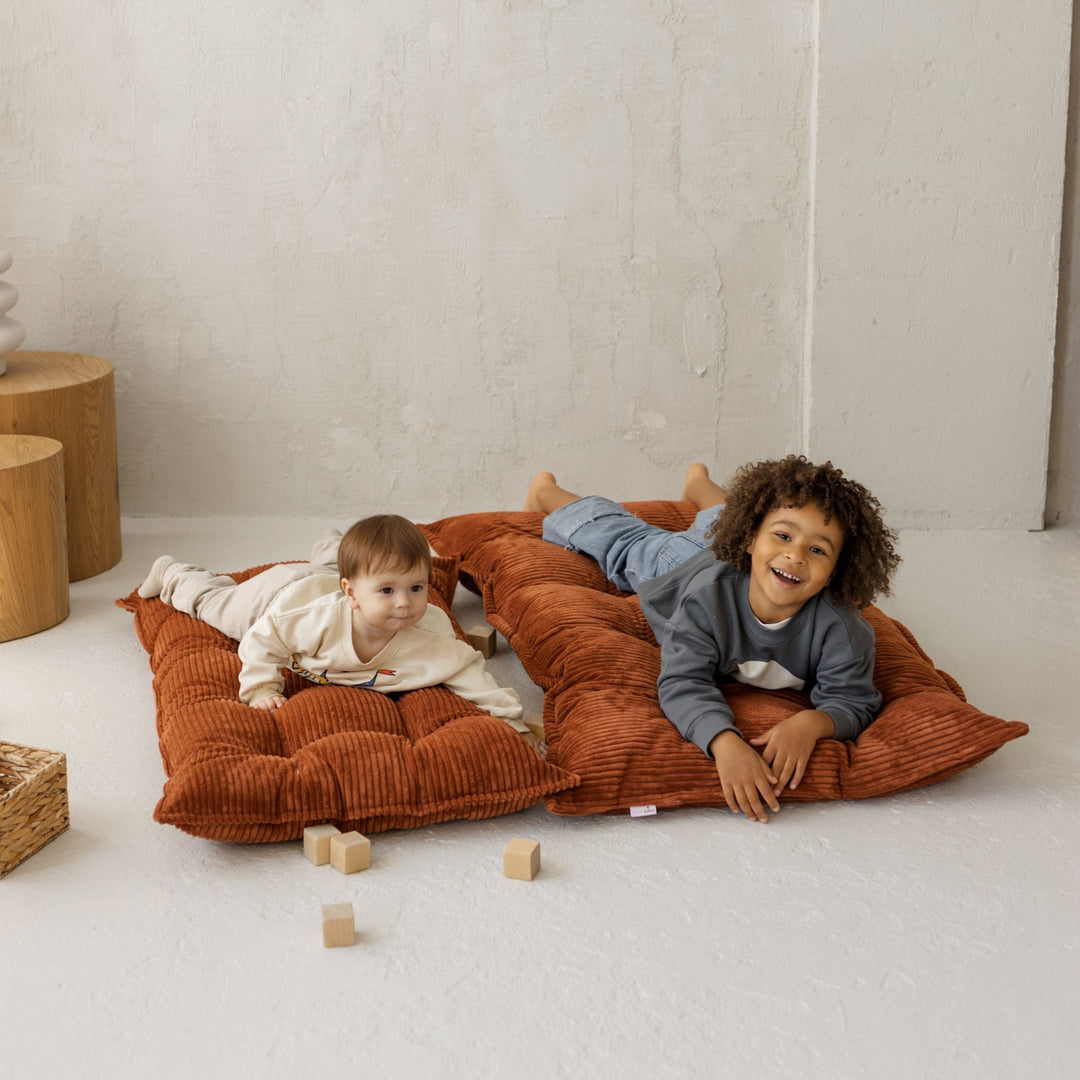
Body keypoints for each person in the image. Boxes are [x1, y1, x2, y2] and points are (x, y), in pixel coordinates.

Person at [525, 456, 901, 824]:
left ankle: (697, 482)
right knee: (625, 545)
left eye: (817, 549)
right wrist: (723, 741)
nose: (794, 554)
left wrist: (812, 724)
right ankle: (547, 493)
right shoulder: (704, 599)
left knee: (719, 517)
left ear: (837, 570)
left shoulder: (843, 630)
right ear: (751, 538)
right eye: (783, 536)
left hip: (730, 543)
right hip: (686, 563)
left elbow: (853, 700)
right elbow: (683, 681)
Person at [136, 515, 525, 725]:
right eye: (388, 591)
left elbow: (469, 668)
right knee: (213, 605)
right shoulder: (309, 621)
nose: (405, 603)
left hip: (329, 582)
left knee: (347, 567)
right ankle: (173, 573)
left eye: (417, 588)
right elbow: (261, 640)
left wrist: (513, 721)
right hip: (279, 597)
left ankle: (332, 547)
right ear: (352, 594)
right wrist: (261, 691)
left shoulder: (430, 637)